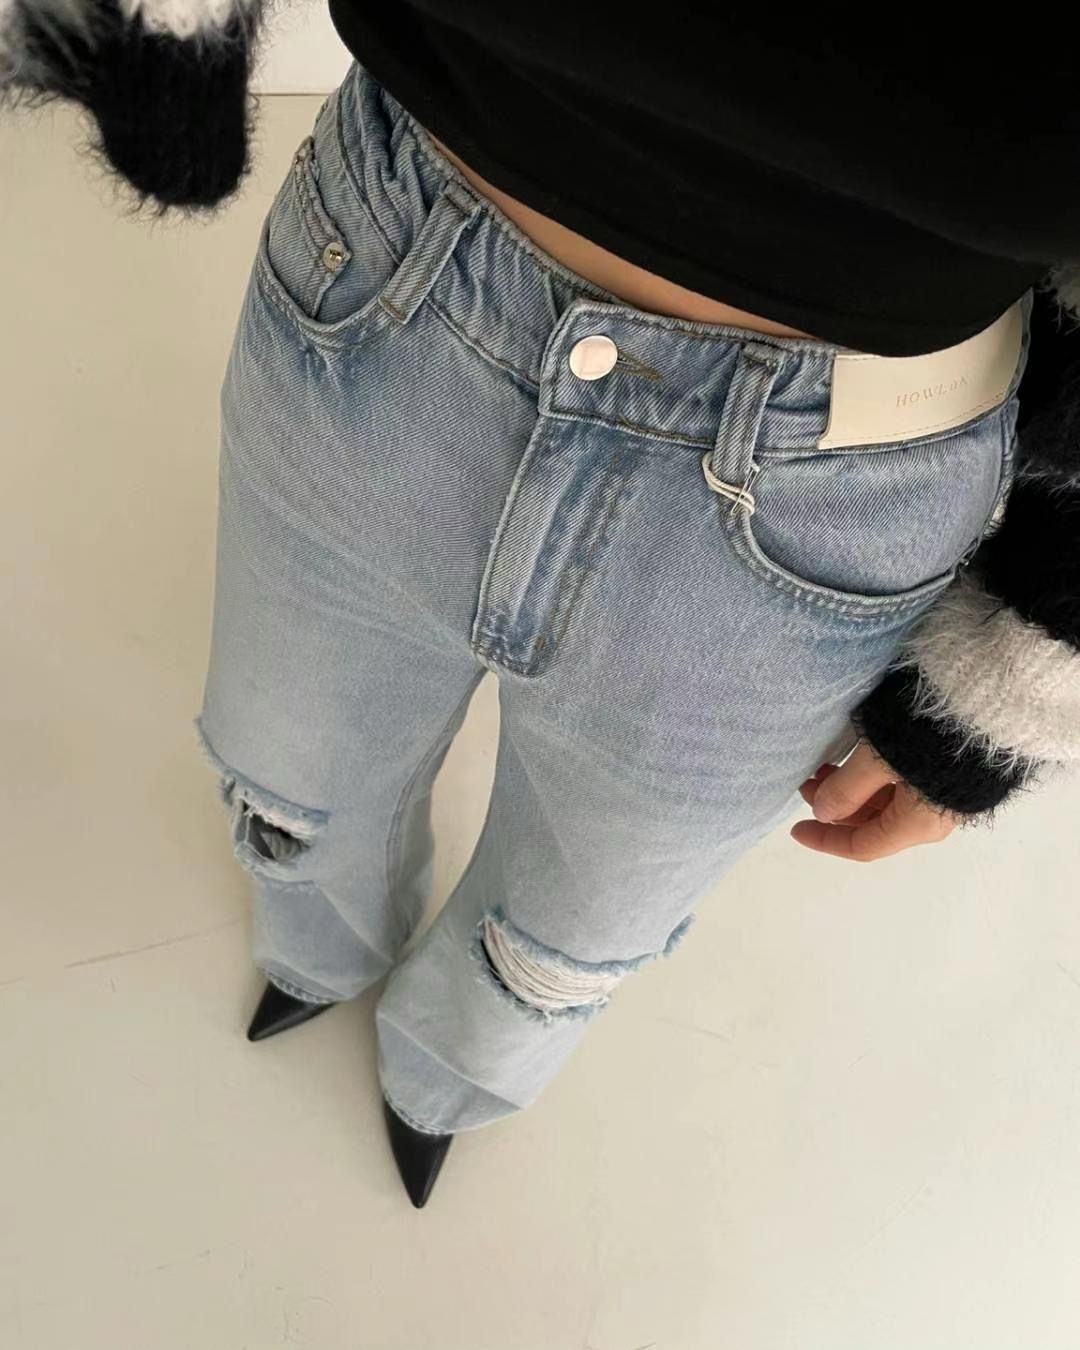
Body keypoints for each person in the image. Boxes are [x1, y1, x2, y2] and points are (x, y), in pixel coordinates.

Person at [5, 6, 1078, 1208]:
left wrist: (1014, 684)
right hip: (383, 290)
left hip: (826, 496)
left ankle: (446, 1080)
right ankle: (317, 953)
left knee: (564, 943)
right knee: (286, 781)